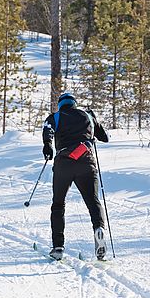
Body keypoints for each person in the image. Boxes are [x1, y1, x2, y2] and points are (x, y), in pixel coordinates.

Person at [42, 92, 109, 261]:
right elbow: (105, 138)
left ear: (60, 105)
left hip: (64, 163)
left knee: (58, 204)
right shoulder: (87, 115)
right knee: (93, 201)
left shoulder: (55, 117)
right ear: (74, 104)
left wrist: (48, 147)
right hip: (86, 162)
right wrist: (93, 121)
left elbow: (47, 130)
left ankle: (58, 247)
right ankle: (98, 229)